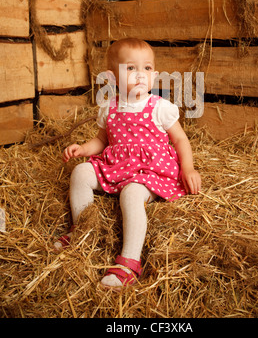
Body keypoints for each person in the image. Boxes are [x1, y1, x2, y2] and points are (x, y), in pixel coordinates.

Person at [55, 38, 201, 290]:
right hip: (117, 164)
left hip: (150, 170)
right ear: (112, 78)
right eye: (131, 68)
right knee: (81, 172)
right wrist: (83, 149)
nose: (141, 75)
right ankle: (83, 229)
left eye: (146, 68)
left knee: (132, 193)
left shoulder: (160, 107)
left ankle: (129, 262)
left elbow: (180, 139)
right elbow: (102, 140)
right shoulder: (109, 107)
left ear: (154, 75)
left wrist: (188, 167)